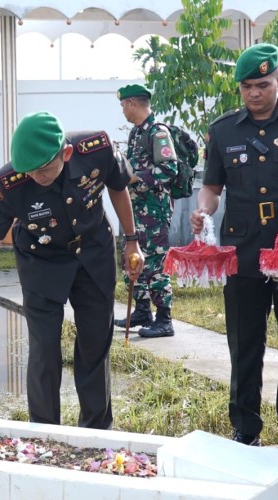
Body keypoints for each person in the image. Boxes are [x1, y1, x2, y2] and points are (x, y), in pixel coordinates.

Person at [0, 111, 144, 430]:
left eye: (43, 169)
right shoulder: (8, 183)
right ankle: (44, 434)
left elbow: (118, 187)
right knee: (44, 349)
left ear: (66, 153)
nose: (35, 177)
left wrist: (131, 241)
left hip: (93, 252)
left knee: (95, 344)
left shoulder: (97, 148)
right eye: (29, 171)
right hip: (40, 261)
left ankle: (96, 432)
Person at [191, 44, 278, 451]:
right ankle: (245, 427)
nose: (254, 93)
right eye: (247, 87)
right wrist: (203, 210)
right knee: (244, 343)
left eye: (262, 85)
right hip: (243, 251)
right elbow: (212, 186)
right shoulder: (224, 130)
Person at [114, 84, 178, 337]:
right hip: (136, 210)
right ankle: (142, 310)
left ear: (132, 103)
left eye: (123, 106)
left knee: (155, 264)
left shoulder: (157, 132)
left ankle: (164, 319)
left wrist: (136, 178)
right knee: (133, 258)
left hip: (154, 212)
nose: (123, 111)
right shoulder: (136, 133)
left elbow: (169, 170)